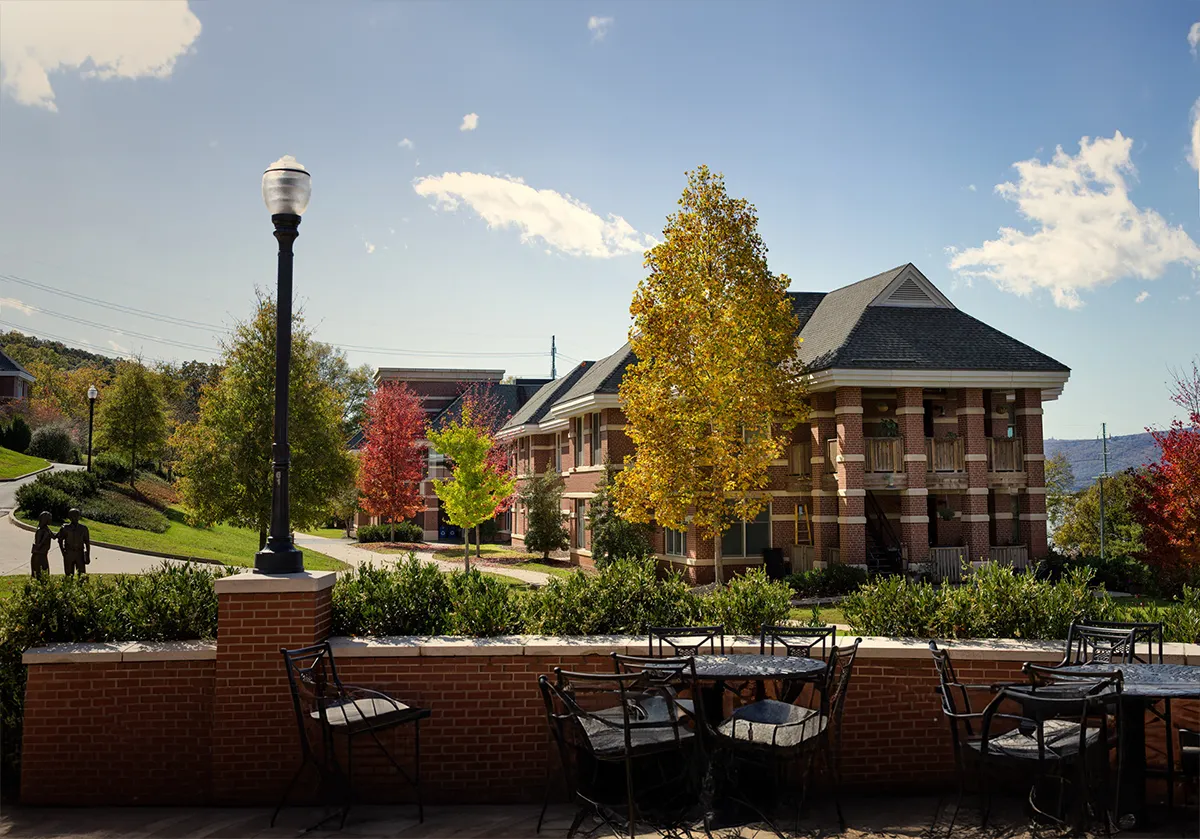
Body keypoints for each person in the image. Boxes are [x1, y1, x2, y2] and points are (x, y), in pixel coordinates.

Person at [57, 508, 90, 576]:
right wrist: (63, 552)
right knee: (69, 574)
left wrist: (88, 555)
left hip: (80, 553)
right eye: (73, 516)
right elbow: (60, 541)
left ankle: (81, 586)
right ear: (69, 517)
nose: (75, 517)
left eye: (77, 515)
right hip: (69, 553)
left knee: (81, 574)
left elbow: (87, 542)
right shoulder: (65, 528)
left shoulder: (83, 528)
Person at [30, 511, 53, 576]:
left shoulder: (46, 529)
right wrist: (44, 538)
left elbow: (54, 536)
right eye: (49, 518)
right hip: (38, 556)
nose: (51, 520)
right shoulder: (40, 530)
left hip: (44, 555)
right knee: (39, 574)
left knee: (45, 574)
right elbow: (38, 545)